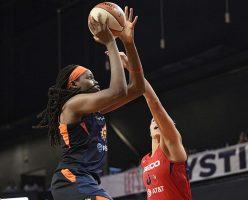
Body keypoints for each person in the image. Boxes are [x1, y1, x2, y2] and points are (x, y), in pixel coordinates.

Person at [38, 7, 144, 200]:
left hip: (87, 181)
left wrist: (129, 43)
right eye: (89, 77)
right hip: (71, 179)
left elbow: (137, 88)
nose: (95, 81)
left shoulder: (93, 110)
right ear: (73, 84)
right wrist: (111, 42)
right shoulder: (73, 105)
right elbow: (118, 91)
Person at [140, 79, 192, 199]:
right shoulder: (145, 161)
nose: (156, 121)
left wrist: (135, 72)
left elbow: (155, 105)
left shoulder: (172, 148)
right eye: (153, 120)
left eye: (159, 120)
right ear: (149, 129)